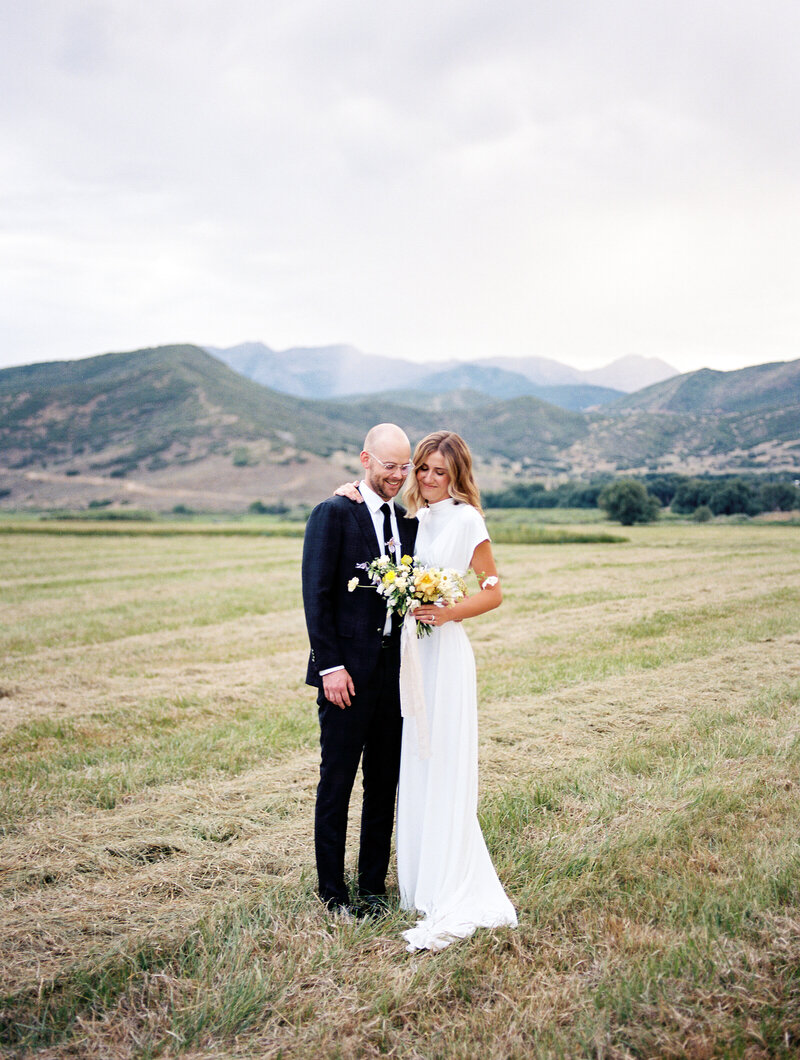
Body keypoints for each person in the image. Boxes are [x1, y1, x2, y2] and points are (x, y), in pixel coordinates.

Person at [336, 430, 517, 952]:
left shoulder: (466, 519)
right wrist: (350, 490)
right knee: (414, 761)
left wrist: (445, 611)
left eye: (440, 471)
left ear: (456, 475)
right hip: (412, 655)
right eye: (422, 469)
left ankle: (449, 879)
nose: (429, 479)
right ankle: (418, 880)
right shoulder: (411, 521)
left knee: (443, 760)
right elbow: (373, 522)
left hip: (446, 652)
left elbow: (493, 592)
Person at [302, 423, 418, 918]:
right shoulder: (333, 513)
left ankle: (372, 889)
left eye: (404, 467)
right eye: (389, 465)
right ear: (365, 459)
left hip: (395, 678)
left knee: (383, 784)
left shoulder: (409, 522)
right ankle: (332, 895)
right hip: (344, 678)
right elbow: (317, 595)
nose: (397, 476)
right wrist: (330, 667)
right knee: (337, 783)